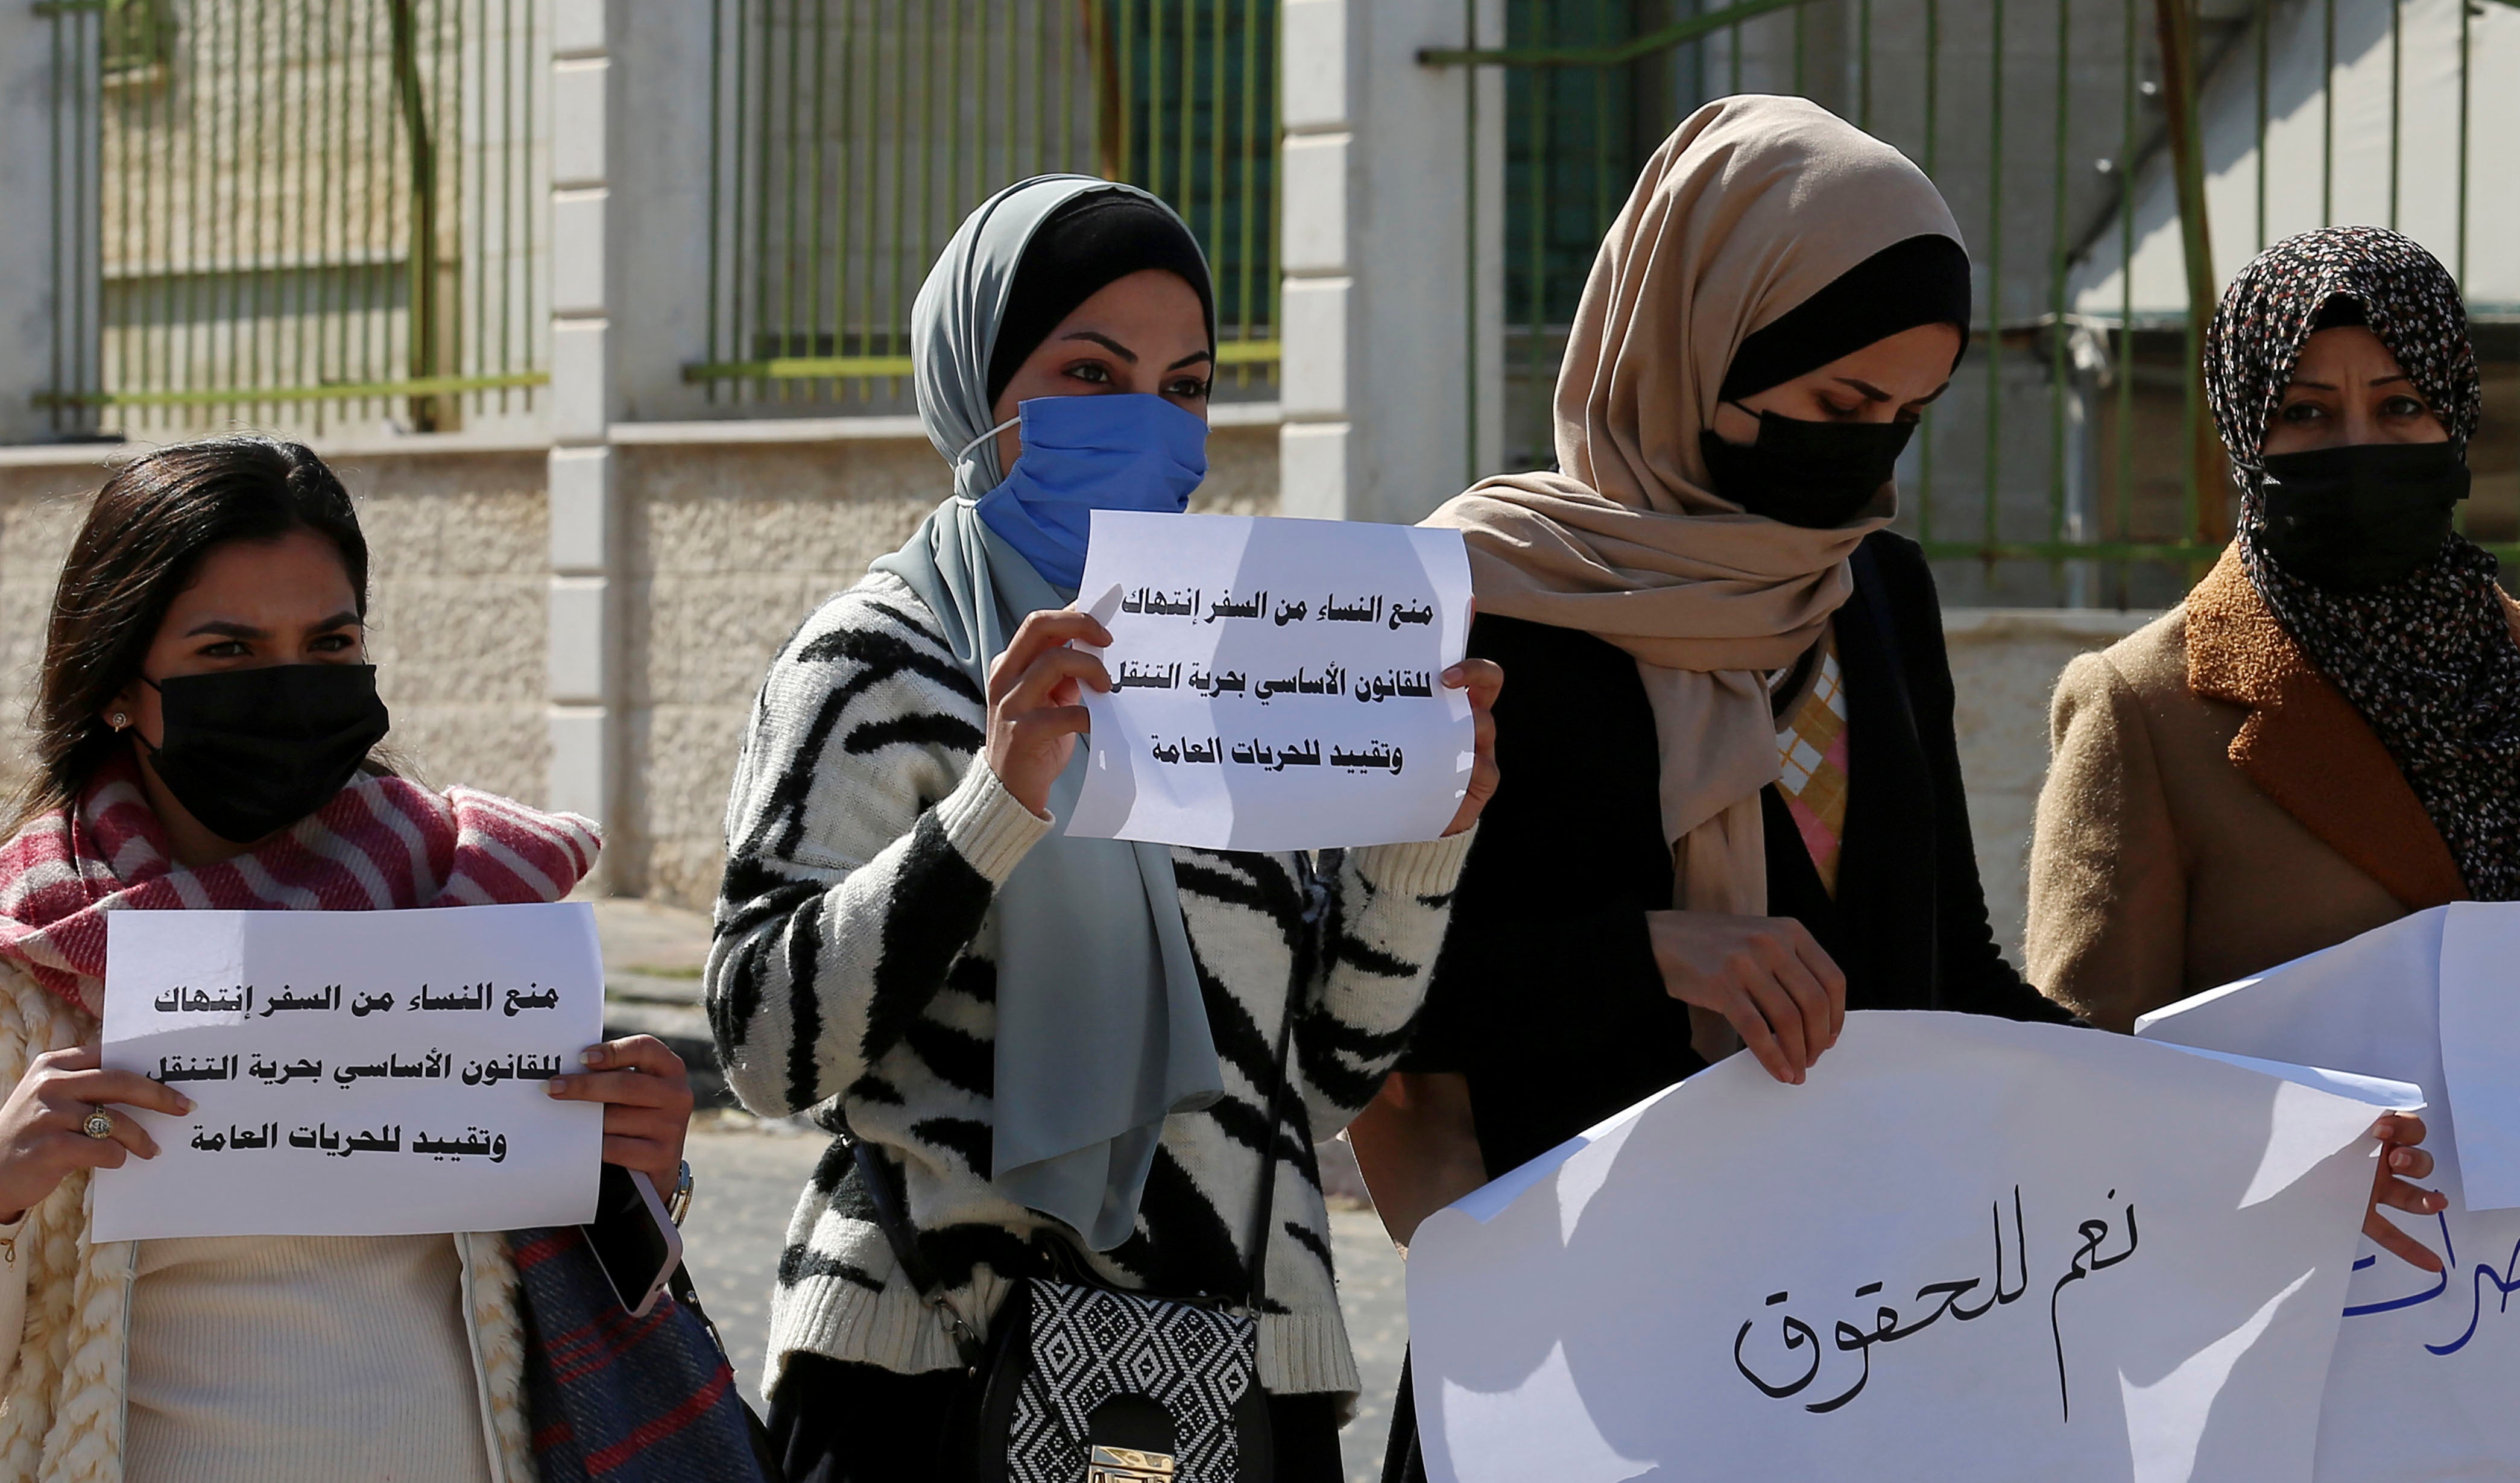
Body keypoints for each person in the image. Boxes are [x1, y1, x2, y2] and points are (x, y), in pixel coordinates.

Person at [1346, 102, 2440, 1482]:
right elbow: (1357, 1003)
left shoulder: (1870, 591)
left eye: (1907, 415)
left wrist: (2260, 1136)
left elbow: (1945, 975)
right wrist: (1649, 953)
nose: (1867, 458)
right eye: (1836, 407)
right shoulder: (1479, 608)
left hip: (1847, 1367)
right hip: (1575, 1372)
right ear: (1702, 340)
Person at [704, 175, 1502, 1483]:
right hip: (928, 1374)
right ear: (977, 384)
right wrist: (996, 804)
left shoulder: (1232, 656)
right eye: (1088, 371)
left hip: (1236, 1383)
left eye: (1183, 386)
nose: (1147, 423)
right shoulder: (870, 663)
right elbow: (760, 1046)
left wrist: (1422, 836)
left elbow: (1306, 1085)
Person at [0, 436, 700, 1482]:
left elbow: (610, 1289)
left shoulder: (469, 907)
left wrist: (642, 1166)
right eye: (227, 652)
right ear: (117, 686)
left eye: (329, 644)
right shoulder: (33, 961)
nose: (286, 686)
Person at [2026, 226, 2515, 1110]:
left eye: (2402, 406)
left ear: (2456, 414)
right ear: (2248, 432)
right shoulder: (2143, 706)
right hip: (2300, 1244)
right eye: (2307, 411)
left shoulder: (2510, 661)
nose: (2358, 445)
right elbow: (2083, 1083)